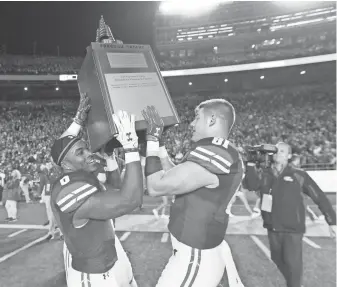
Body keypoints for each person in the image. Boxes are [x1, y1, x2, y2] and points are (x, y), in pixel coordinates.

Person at [142, 102, 245, 287]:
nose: (191, 124)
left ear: (212, 119)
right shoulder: (216, 149)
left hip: (195, 257)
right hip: (194, 253)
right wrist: (161, 144)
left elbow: (156, 186)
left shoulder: (216, 150)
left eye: (197, 118)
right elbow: (176, 174)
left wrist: (151, 141)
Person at [50, 103, 142, 287]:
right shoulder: (69, 189)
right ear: (67, 165)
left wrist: (110, 161)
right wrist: (131, 148)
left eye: (86, 148)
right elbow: (129, 200)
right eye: (81, 152)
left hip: (106, 248)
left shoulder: (84, 177)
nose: (89, 153)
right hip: (91, 271)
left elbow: (115, 191)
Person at [245, 142, 336, 287]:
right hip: (272, 227)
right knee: (277, 258)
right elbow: (250, 185)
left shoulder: (299, 175)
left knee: (293, 266)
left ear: (288, 156)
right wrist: (250, 164)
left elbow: (319, 197)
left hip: (292, 229)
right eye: (275, 151)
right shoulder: (265, 173)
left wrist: (332, 221)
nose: (277, 153)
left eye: (281, 151)